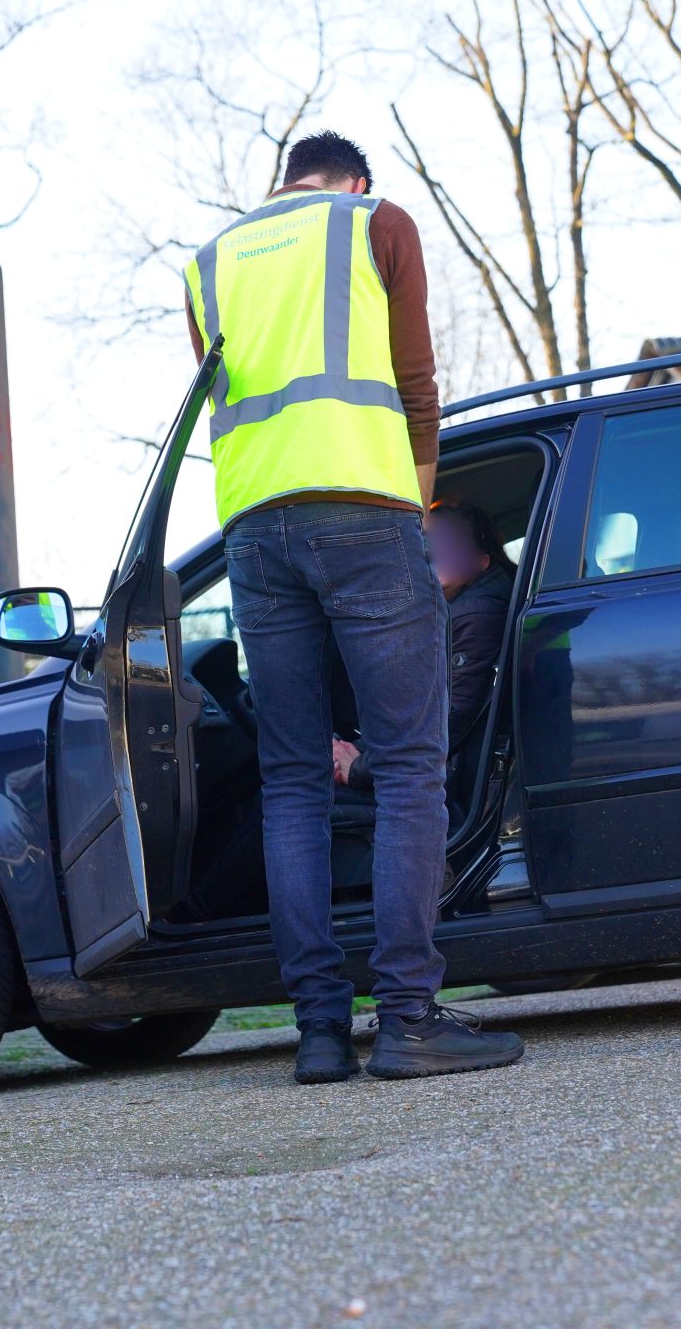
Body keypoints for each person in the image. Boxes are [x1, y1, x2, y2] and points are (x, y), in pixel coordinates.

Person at [183, 131, 524, 1083]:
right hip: (368, 512)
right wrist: (418, 506)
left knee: (292, 780)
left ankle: (320, 1033)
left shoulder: (210, 262)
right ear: (356, 178)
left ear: (283, 179)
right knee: (411, 768)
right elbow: (416, 385)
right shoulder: (376, 223)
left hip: (255, 530)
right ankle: (408, 1018)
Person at [332, 500, 515, 814]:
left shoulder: (477, 615)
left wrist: (360, 767)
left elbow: (445, 721)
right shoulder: (456, 607)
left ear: (482, 561)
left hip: (446, 785)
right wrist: (357, 752)